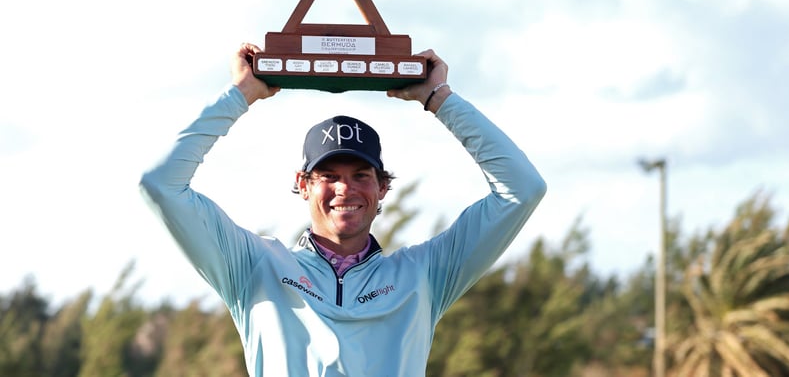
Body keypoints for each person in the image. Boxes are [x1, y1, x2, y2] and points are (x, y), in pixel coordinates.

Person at [139, 43, 547, 377]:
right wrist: (241, 94)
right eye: (327, 175)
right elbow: (160, 184)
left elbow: (523, 189)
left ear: (383, 187)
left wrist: (439, 99)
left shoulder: (424, 273)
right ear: (302, 185)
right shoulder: (252, 265)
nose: (344, 189)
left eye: (360, 175)